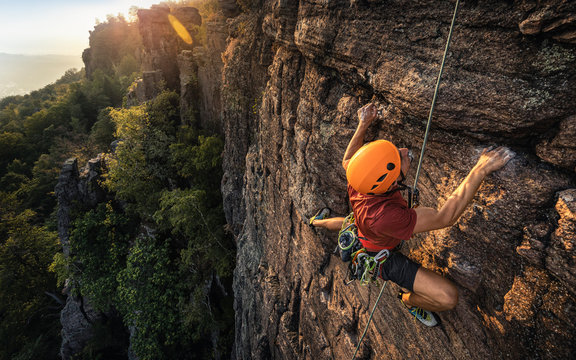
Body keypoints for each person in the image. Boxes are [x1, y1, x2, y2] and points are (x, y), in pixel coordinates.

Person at [310, 103, 515, 326]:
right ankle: (408, 301)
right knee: (448, 297)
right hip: (381, 255)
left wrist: (364, 123)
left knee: (347, 224)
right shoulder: (386, 217)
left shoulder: (359, 176)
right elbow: (445, 216)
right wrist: (481, 168)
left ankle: (316, 221)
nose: (405, 152)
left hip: (363, 227)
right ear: (393, 182)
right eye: (400, 159)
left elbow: (347, 160)